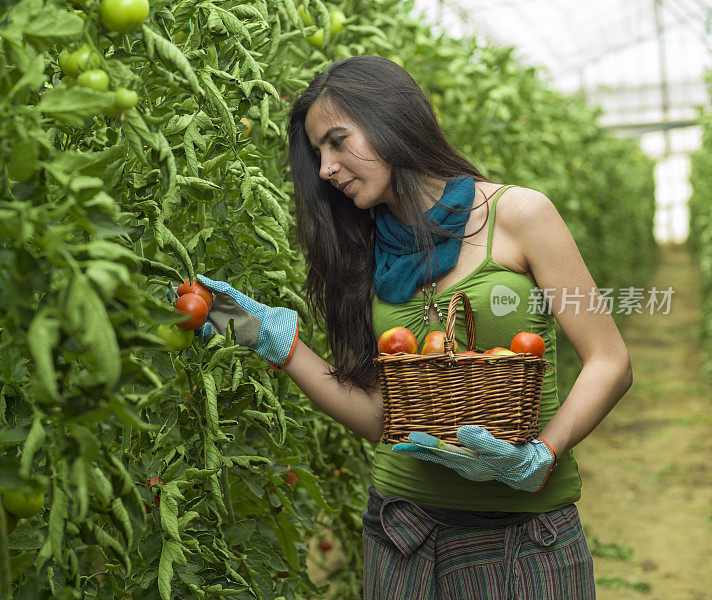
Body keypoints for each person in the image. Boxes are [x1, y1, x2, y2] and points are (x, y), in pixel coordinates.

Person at [194, 55, 633, 599]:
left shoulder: (519, 216)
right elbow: (386, 420)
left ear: (391, 119)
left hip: (526, 542)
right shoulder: (360, 251)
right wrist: (272, 342)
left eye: (336, 140)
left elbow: (609, 360)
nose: (326, 168)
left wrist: (544, 452)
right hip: (405, 537)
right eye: (317, 155)